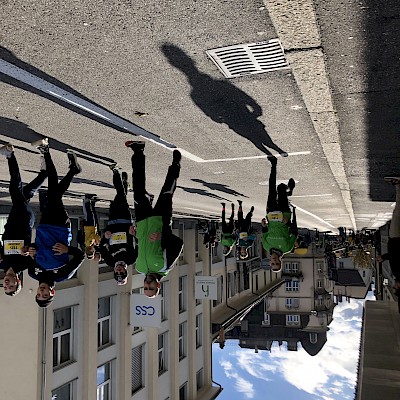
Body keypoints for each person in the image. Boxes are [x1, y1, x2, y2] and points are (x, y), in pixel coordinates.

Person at [24, 140, 84, 307]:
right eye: (45, 295)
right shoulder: (63, 275)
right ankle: (46, 150)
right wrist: (67, 250)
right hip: (60, 228)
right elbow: (80, 256)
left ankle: (73, 170)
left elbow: (31, 250)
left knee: (54, 194)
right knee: (53, 193)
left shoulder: (32, 273)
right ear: (52, 292)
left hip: (43, 227)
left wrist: (30, 249)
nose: (41, 291)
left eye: (39, 294)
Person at [126, 140, 183, 297]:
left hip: (142, 220)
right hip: (160, 220)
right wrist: (161, 236)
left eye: (145, 288)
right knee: (167, 189)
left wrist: (134, 235)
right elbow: (178, 244)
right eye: (151, 288)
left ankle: (138, 150)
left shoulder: (139, 268)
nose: (147, 285)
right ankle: (176, 164)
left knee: (137, 187)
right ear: (158, 285)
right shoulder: (165, 267)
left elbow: (141, 246)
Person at [0, 143, 47, 296]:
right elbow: (37, 248)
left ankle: (44, 173)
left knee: (26, 193)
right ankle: (10, 154)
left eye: (5, 287)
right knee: (15, 190)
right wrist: (29, 250)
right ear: (18, 281)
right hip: (24, 221)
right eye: (11, 286)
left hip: (12, 219)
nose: (7, 284)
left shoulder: (2, 263)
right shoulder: (25, 264)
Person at [99, 166, 137, 285]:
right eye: (122, 272)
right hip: (125, 223)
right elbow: (138, 244)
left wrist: (105, 237)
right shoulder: (131, 259)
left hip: (112, 225)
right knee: (120, 197)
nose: (119, 270)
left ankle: (124, 184)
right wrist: (133, 234)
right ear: (126, 271)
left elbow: (102, 247)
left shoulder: (109, 260)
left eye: (117, 273)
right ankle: (115, 172)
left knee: (119, 199)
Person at [261, 157, 297, 272]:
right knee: (280, 187)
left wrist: (264, 225)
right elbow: (295, 232)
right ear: (280, 261)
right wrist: (288, 222)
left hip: (271, 214)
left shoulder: (266, 246)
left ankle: (273, 164)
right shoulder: (287, 248)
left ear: (270, 262)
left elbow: (264, 232)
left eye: (273, 263)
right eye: (277, 263)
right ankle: (287, 191)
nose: (274, 261)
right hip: (283, 213)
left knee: (272, 189)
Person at [377, 177, 400, 294]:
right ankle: (398, 185)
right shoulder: (398, 273)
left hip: (397, 239)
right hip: (396, 239)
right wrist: (383, 258)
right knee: (397, 212)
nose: (393, 285)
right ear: (398, 287)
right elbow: (395, 255)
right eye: (395, 287)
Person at [81, 194, 101, 259]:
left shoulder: (88, 243)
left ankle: (86, 201)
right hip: (92, 228)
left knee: (89, 214)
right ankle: (88, 202)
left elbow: (92, 235)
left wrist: (97, 240)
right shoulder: (92, 244)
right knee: (90, 214)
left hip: (89, 227)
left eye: (92, 251)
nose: (93, 250)